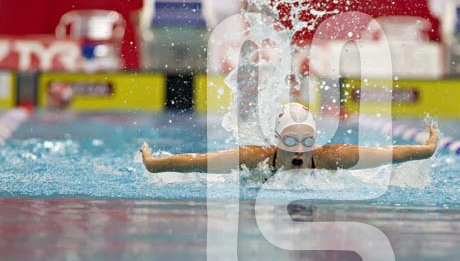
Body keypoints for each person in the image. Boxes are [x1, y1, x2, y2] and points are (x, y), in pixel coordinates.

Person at [140, 103, 438, 174]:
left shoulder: (330, 158)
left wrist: (425, 150)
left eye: (307, 142)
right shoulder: (254, 158)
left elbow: (386, 154)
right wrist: (155, 165)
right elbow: (199, 162)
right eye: (290, 141)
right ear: (277, 140)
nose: (299, 150)